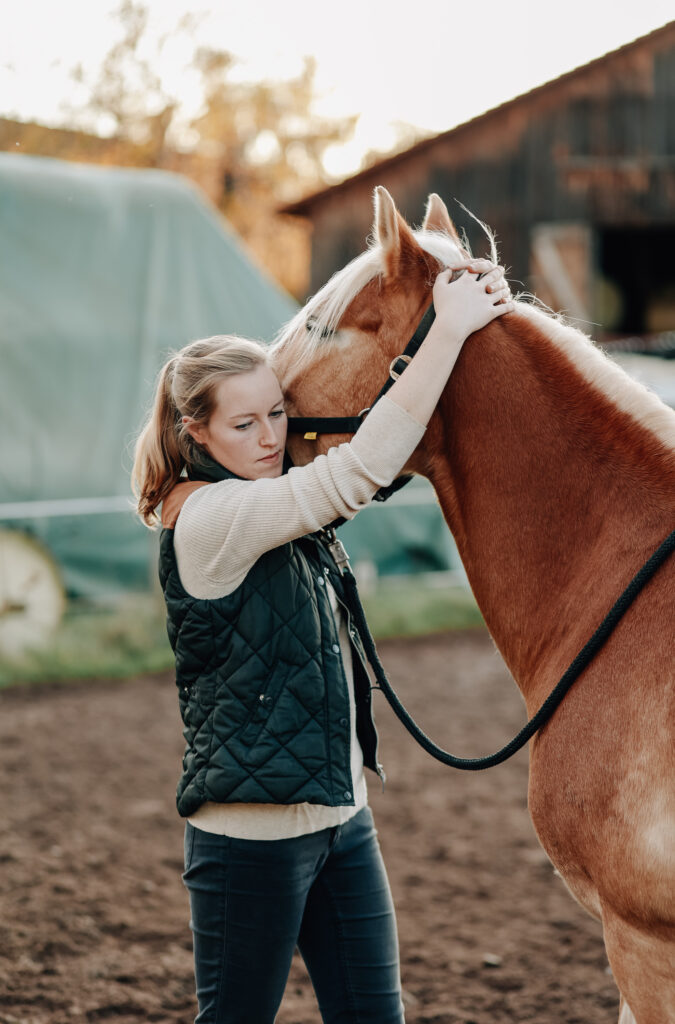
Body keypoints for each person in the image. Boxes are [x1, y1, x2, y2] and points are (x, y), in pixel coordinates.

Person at [131, 260, 512, 1024]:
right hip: (251, 837)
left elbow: (353, 478)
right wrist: (445, 330)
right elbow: (358, 471)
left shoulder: (264, 499)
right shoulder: (211, 518)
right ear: (193, 432)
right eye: (245, 425)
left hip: (340, 819)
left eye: (277, 413)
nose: (272, 437)